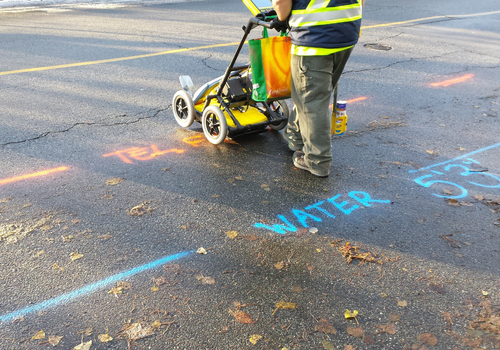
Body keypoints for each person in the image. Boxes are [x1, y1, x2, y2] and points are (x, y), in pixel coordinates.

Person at [271, 0, 365, 177]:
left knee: (312, 102)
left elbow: (281, 3)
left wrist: (281, 16)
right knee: (310, 94)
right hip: (347, 29)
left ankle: (317, 160)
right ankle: (295, 136)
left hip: (314, 37)